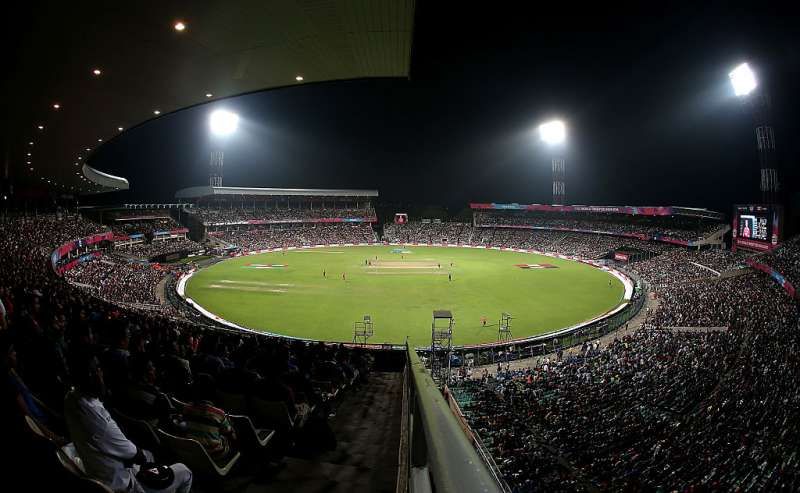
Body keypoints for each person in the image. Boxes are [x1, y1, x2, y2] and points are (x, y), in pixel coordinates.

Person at [64, 353, 192, 493]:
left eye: (99, 368)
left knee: (150, 456)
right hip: (123, 484)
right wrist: (143, 457)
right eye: (96, 369)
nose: (100, 373)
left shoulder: (71, 397)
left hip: (101, 471)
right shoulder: (95, 414)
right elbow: (132, 453)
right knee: (185, 471)